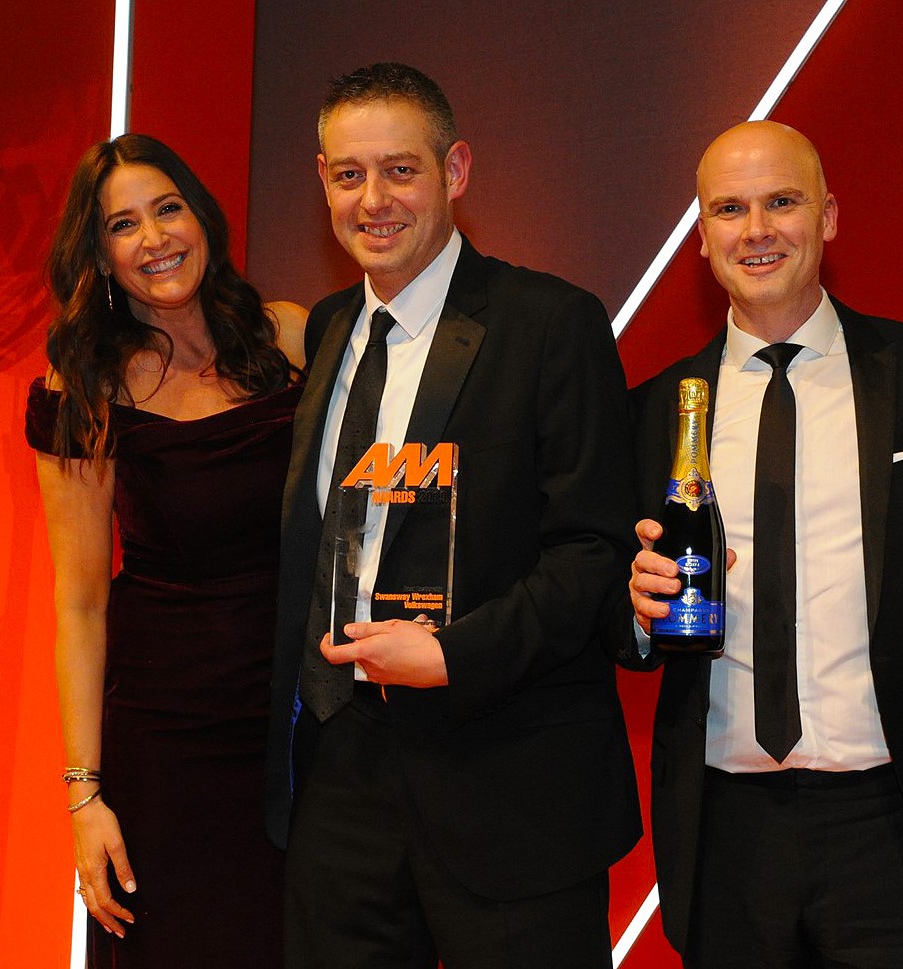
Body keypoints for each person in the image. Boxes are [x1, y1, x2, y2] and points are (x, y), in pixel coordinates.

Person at [263, 63, 640, 969]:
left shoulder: (552, 322)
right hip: (342, 787)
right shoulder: (324, 332)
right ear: (322, 181)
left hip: (509, 787)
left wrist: (448, 656)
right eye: (349, 175)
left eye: (401, 170)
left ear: (456, 171)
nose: (373, 200)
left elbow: (593, 551)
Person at [623, 121, 903, 968]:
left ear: (828, 217)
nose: (757, 230)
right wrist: (636, 608)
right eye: (730, 209)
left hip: (900, 819)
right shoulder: (651, 411)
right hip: (724, 830)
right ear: (704, 235)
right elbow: (608, 606)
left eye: (782, 202)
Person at [27, 134, 306, 967]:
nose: (155, 238)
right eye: (123, 224)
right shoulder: (82, 389)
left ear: (202, 216)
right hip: (169, 740)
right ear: (100, 255)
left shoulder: (290, 336)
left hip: (303, 728)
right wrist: (85, 799)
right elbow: (79, 603)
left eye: (168, 208)